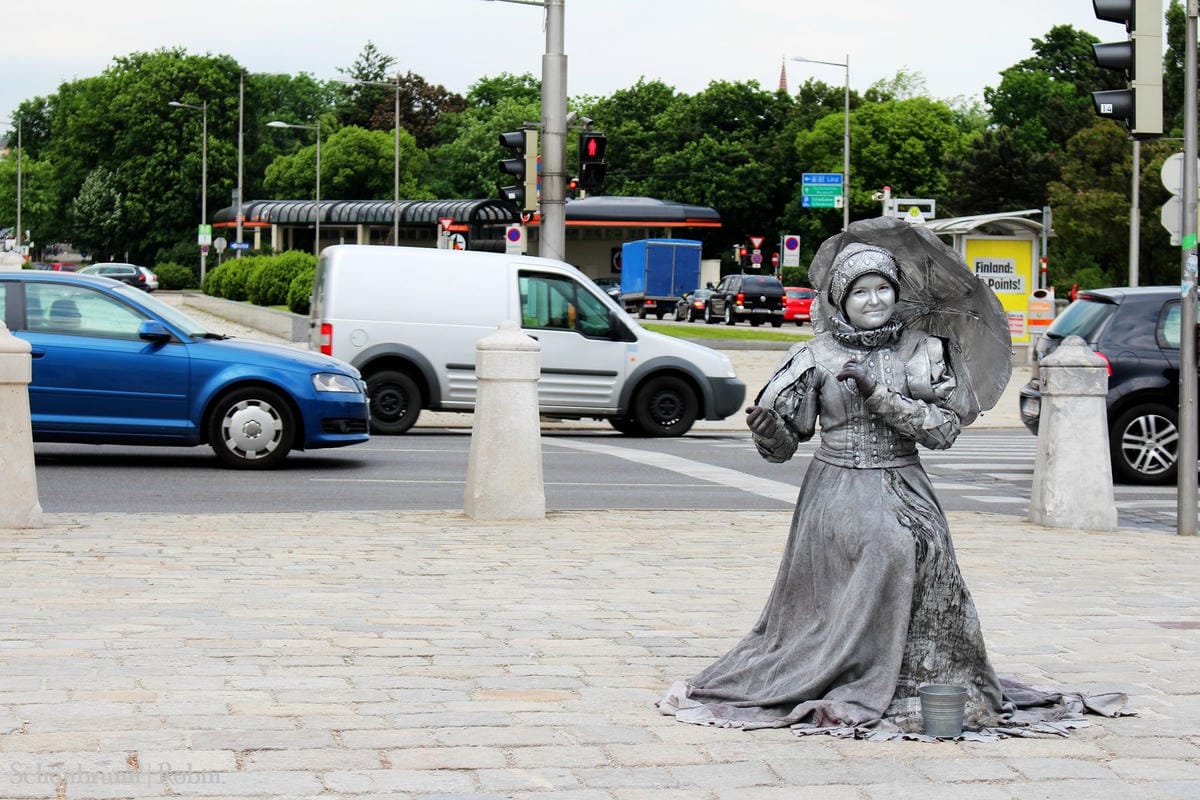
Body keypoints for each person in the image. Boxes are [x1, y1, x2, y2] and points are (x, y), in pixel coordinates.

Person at [658, 242, 1119, 738]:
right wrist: (770, 431)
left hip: (905, 484)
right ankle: (845, 666)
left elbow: (943, 432)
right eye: (860, 292)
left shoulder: (923, 350)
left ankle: (913, 669)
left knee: (921, 547)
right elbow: (786, 445)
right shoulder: (813, 355)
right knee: (887, 546)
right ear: (840, 299)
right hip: (836, 489)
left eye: (883, 289)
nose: (874, 300)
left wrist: (880, 396)